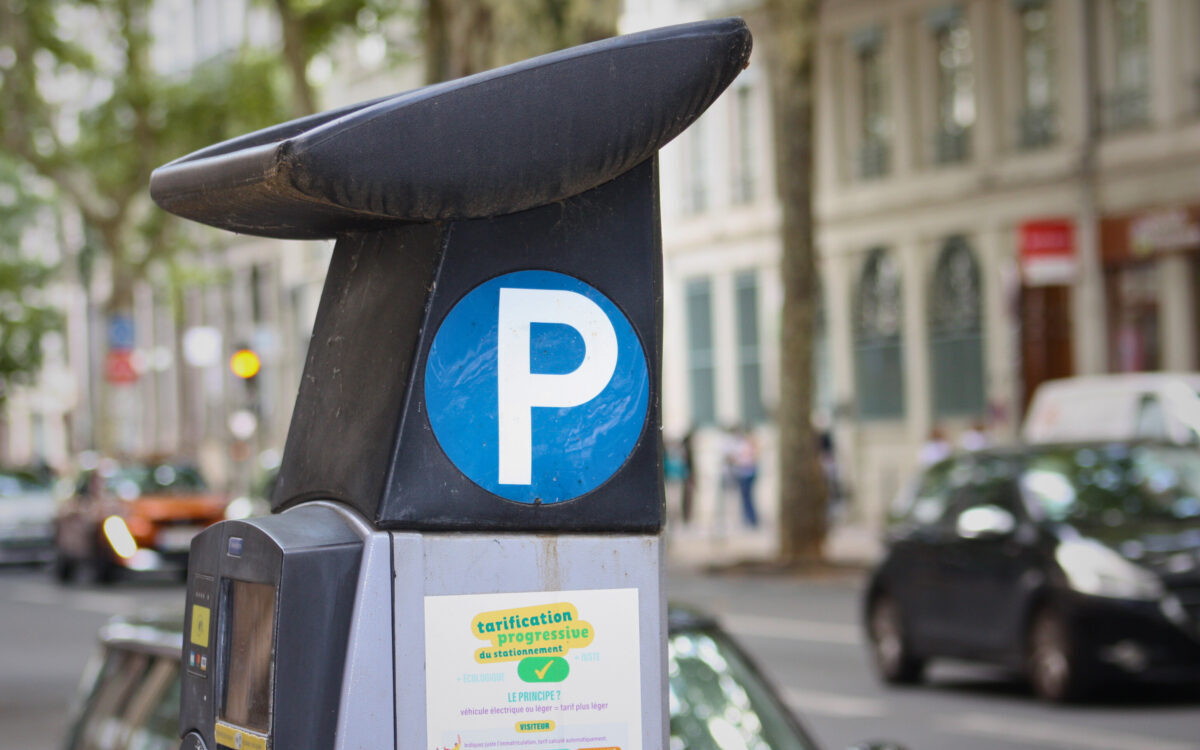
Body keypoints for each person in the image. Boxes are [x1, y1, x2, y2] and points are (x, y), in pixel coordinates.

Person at [724, 425, 759, 527]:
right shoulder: (746, 444)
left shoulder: (747, 445)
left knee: (747, 497)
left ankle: (751, 518)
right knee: (746, 497)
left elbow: (745, 459)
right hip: (744, 472)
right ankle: (748, 518)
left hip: (747, 473)